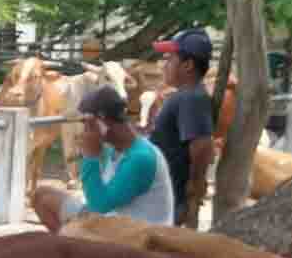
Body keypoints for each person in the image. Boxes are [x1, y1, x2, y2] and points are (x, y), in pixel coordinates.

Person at [32, 85, 173, 233]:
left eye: (86, 123)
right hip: (114, 221)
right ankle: (71, 243)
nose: (84, 129)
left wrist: (90, 157)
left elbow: (98, 206)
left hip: (138, 236)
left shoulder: (141, 157)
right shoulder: (115, 148)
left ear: (102, 120)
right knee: (41, 196)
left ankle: (73, 244)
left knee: (67, 221)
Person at [149, 28, 215, 227]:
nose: (164, 66)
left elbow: (201, 145)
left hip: (173, 195)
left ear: (187, 65)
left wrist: (195, 185)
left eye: (170, 59)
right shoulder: (184, 95)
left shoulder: (191, 98)